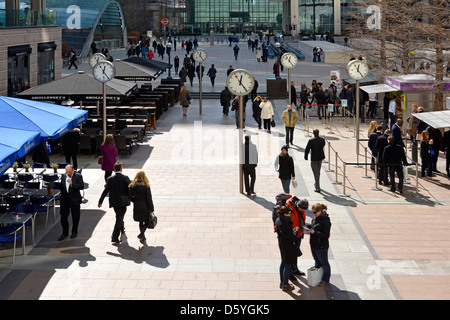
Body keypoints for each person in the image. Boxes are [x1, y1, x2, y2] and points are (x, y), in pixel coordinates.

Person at [98, 162, 131, 243]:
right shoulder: (125, 178)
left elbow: (105, 191)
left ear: (114, 169)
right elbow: (131, 188)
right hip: (123, 202)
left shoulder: (110, 179)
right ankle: (114, 237)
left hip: (114, 202)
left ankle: (122, 229)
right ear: (121, 169)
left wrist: (100, 201)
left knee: (119, 216)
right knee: (119, 218)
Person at [306, 203, 332, 287]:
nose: (313, 214)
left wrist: (315, 232)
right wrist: (308, 226)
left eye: (315, 212)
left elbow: (325, 235)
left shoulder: (326, 221)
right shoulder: (315, 218)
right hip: (314, 244)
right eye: (312, 212)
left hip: (321, 246)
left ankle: (325, 279)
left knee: (324, 262)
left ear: (320, 211)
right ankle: (317, 277)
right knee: (317, 261)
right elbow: (314, 226)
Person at [58, 165, 85, 241]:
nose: (68, 173)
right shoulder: (63, 176)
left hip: (74, 200)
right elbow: (62, 186)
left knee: (75, 217)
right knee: (63, 217)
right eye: (67, 172)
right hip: (65, 200)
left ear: (73, 170)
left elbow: (81, 186)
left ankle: (74, 231)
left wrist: (72, 184)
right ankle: (64, 232)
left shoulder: (78, 176)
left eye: (69, 172)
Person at [275, 206, 297, 291]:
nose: (291, 215)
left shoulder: (278, 219)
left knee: (283, 263)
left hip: (282, 245)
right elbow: (292, 237)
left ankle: (282, 282)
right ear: (285, 214)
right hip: (287, 246)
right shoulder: (285, 224)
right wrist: (295, 232)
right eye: (289, 214)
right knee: (287, 265)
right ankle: (285, 284)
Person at [129, 171, 154, 244]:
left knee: (140, 221)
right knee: (147, 220)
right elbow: (149, 198)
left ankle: (142, 237)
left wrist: (135, 201)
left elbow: (130, 197)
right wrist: (152, 208)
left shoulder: (132, 186)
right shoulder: (146, 186)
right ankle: (141, 234)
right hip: (145, 206)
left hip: (137, 206)